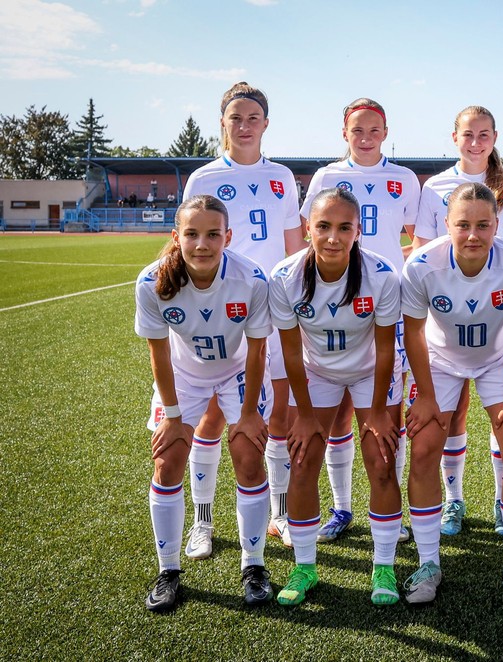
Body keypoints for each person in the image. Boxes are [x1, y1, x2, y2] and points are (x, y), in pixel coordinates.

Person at [181, 81, 307, 558]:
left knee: (279, 414)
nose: (245, 125)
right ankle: (203, 521)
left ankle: (278, 514)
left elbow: (294, 244)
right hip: (219, 310)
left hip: (272, 307)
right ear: (223, 124)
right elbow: (189, 241)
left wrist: (301, 297)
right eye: (236, 117)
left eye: (253, 117)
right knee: (211, 417)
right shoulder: (203, 178)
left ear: (266, 124)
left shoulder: (281, 176)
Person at [402, 182, 503, 605]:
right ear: (447, 224)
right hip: (441, 360)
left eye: (484, 224)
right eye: (463, 225)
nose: (474, 234)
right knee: (424, 447)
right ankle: (428, 563)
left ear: (499, 224)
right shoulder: (422, 264)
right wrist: (425, 396)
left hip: (498, 358)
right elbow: (412, 330)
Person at [135, 194, 273, 613]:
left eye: (213, 234)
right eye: (192, 234)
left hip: (236, 372)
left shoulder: (251, 280)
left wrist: (248, 413)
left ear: (228, 237)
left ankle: (254, 566)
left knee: (248, 454)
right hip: (184, 375)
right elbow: (159, 355)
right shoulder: (152, 281)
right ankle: (169, 571)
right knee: (167, 459)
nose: (202, 244)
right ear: (176, 237)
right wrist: (174, 418)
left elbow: (256, 351)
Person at [268, 187, 404, 606]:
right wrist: (305, 415)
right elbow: (291, 351)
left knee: (381, 462)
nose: (332, 237)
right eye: (323, 226)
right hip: (317, 372)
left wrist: (379, 411)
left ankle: (383, 567)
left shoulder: (381, 276)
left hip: (371, 372)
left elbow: (385, 349)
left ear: (358, 231)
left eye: (344, 228)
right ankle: (305, 567)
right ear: (307, 227)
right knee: (304, 460)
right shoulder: (285, 277)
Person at [299, 98, 421, 544]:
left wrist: (385, 272)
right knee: (336, 416)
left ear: (386, 131)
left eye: (374, 129)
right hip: (333, 303)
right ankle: (342, 508)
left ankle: (390, 514)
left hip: (387, 306)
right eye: (357, 129)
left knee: (388, 415)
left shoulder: (404, 179)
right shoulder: (327, 178)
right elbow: (309, 235)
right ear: (344, 133)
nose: (366, 136)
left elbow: (419, 241)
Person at [412, 106, 503, 538]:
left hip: (495, 317)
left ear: (495, 137)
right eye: (468, 134)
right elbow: (427, 248)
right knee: (451, 414)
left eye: (484, 134)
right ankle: (454, 500)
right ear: (454, 137)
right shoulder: (436, 185)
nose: (475, 142)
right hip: (449, 315)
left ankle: (502, 501)